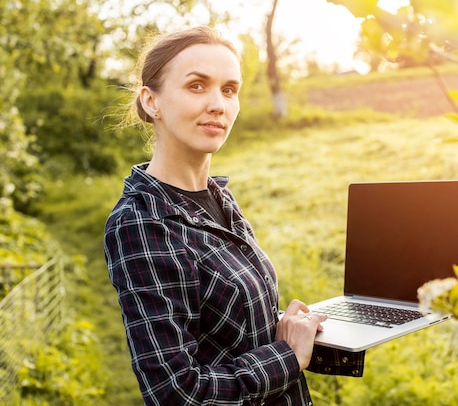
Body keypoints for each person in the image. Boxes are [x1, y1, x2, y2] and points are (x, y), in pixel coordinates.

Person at [103, 26, 364, 406]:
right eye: (197, 86)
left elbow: (230, 334)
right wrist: (288, 356)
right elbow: (177, 393)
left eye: (229, 90)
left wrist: (308, 332)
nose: (218, 104)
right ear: (151, 101)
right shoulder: (142, 222)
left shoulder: (218, 198)